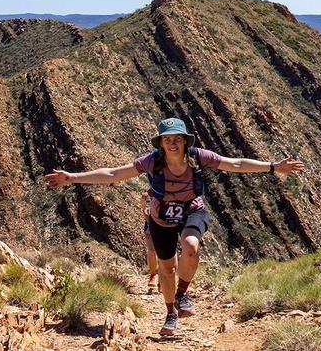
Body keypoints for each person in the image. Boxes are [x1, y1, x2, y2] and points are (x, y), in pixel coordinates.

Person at [44, 118, 304, 336]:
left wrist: (272, 167)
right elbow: (114, 174)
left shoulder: (198, 156)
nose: (172, 142)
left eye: (177, 137)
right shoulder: (151, 161)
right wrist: (72, 178)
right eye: (167, 138)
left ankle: (182, 294)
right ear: (161, 142)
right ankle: (170, 312)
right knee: (166, 267)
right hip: (161, 217)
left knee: (191, 247)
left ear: (184, 140)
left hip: (192, 209)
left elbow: (234, 163)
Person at [141, 191, 159, 294]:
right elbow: (144, 211)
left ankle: (162, 279)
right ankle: (153, 274)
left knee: (163, 254)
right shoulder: (145, 196)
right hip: (150, 226)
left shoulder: (167, 191)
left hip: (166, 226)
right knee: (151, 251)